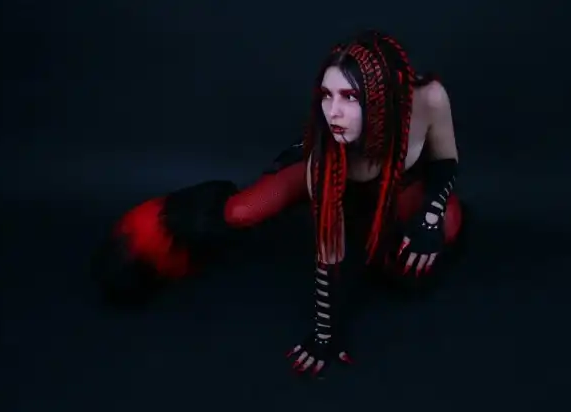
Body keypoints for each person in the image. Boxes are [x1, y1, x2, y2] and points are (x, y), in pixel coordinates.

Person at [92, 29, 463, 376]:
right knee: (240, 213)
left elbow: (446, 160)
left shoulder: (428, 98)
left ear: (382, 96)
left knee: (418, 261)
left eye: (349, 97)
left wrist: (430, 216)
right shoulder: (324, 159)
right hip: (332, 176)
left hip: (396, 189)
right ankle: (164, 229)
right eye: (326, 95)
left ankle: (398, 231)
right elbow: (329, 253)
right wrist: (325, 335)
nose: (333, 112)